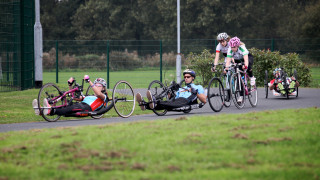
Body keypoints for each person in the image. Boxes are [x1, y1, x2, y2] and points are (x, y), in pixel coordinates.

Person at [32, 75, 109, 116]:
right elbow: (73, 97)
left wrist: (89, 81)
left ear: (103, 88)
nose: (97, 86)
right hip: (81, 105)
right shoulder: (89, 97)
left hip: (86, 108)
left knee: (69, 109)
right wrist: (70, 85)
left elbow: (98, 93)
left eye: (99, 85)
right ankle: (41, 110)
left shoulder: (103, 98)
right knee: (67, 106)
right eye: (96, 85)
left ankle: (49, 109)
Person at [136, 69, 206, 111]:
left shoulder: (198, 87)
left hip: (185, 101)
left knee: (169, 104)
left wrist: (196, 93)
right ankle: (145, 105)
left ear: (193, 78)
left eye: (188, 77)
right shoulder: (181, 88)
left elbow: (204, 100)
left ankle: (154, 101)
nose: (186, 78)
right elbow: (175, 98)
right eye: (185, 77)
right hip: (177, 101)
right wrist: (170, 96)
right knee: (167, 104)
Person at [225, 36, 256, 102]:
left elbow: (246, 60)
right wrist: (226, 68)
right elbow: (228, 61)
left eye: (234, 47)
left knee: (247, 65)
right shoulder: (230, 49)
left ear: (237, 46)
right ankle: (241, 96)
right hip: (238, 60)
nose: (232, 48)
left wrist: (245, 66)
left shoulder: (242, 48)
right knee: (240, 78)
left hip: (247, 58)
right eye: (231, 47)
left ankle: (251, 77)